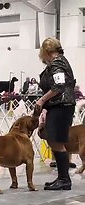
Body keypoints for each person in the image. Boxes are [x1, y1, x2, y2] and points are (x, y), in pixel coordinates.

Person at [35, 37, 76, 191]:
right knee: (54, 141)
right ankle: (61, 178)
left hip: (62, 106)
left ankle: (65, 180)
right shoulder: (58, 62)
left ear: (46, 51)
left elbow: (58, 87)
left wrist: (41, 101)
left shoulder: (58, 63)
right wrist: (46, 108)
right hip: (58, 106)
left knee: (57, 142)